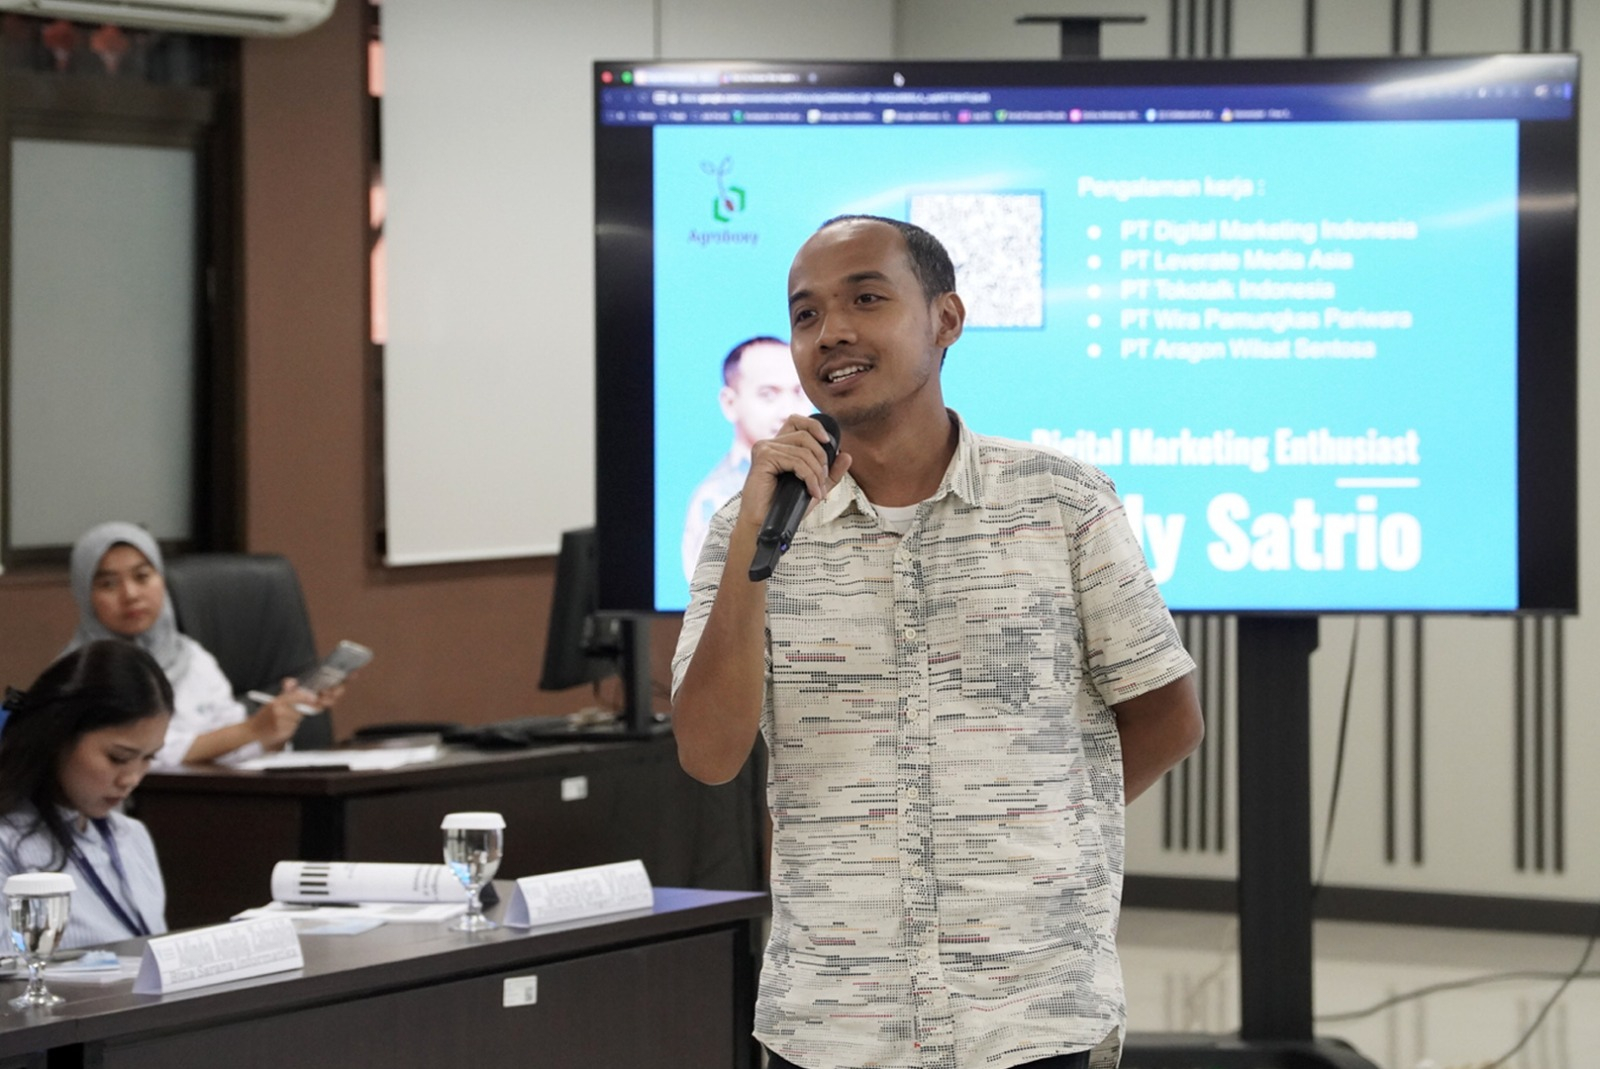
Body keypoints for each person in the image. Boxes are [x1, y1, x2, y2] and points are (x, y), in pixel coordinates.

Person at [672, 215, 1204, 1069]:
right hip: (834, 1018)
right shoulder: (751, 524)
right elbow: (707, 753)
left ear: (945, 320)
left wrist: (1041, 835)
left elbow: (1169, 718)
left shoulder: (1061, 501)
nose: (831, 331)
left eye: (866, 299)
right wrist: (750, 550)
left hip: (1032, 1008)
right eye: (806, 314)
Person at [64, 522, 332, 768]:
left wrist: (275, 729)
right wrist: (252, 730)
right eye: (109, 584)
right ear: (85, 595)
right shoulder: (82, 673)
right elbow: (143, 755)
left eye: (142, 577)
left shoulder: (191, 657)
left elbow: (235, 742)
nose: (131, 594)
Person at [0, 640, 172, 948]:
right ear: (58, 736)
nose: (132, 778)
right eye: (118, 758)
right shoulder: (7, 841)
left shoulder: (132, 837)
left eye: (149, 758)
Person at [681, 334, 810, 581]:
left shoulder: (828, 480)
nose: (788, 410)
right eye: (768, 394)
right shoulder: (716, 500)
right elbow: (713, 599)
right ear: (730, 403)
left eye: (798, 392)